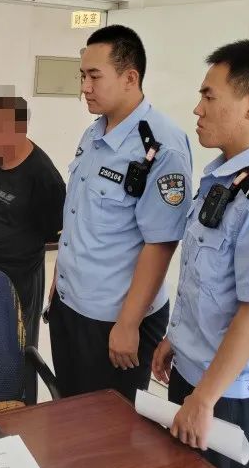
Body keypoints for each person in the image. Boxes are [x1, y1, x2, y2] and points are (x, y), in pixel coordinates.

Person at [152, 39, 249, 468]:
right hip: (196, 376)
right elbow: (207, 280)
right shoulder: (223, 178)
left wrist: (204, 399)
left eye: (209, 96)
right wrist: (178, 338)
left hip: (227, 396)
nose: (197, 109)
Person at [48, 25, 193, 402]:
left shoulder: (161, 147)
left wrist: (128, 324)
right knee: (68, 412)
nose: (85, 87)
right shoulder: (95, 133)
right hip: (71, 305)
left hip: (115, 319)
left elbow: (160, 243)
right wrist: (59, 279)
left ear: (130, 77)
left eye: (94, 76)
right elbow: (78, 216)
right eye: (82, 75)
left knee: (106, 426)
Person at [0, 86, 66, 404]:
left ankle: (19, 410)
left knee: (16, 350)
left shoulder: (44, 177)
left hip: (16, 281)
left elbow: (54, 235)